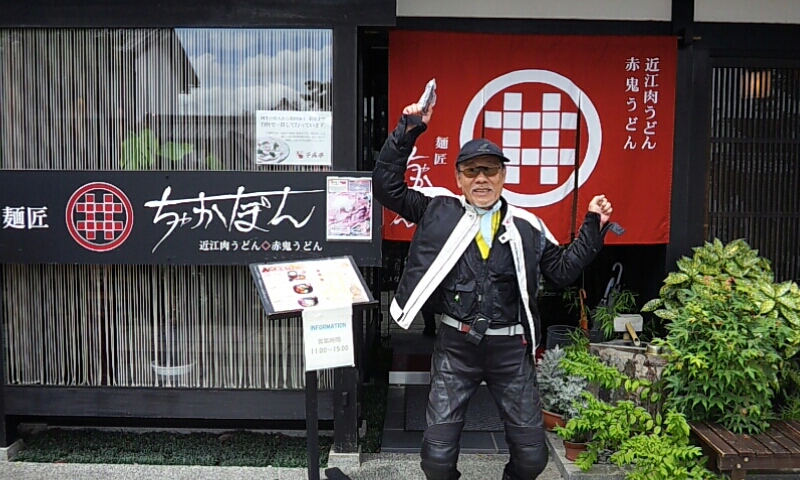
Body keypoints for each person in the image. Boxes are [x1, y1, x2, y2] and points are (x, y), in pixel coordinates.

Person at [373, 101, 616, 480]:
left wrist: (593, 225)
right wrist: (408, 128)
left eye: (491, 170)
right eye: (472, 171)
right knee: (436, 460)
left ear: (503, 176)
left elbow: (562, 271)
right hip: (456, 348)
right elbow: (387, 187)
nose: (481, 179)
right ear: (459, 178)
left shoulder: (526, 225)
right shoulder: (439, 209)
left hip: (511, 350)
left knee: (532, 458)